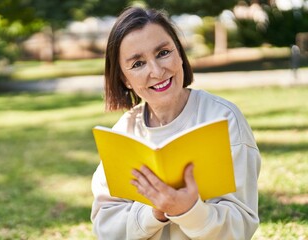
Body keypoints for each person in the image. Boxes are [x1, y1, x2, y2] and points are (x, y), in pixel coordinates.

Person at [91, 6, 261, 240]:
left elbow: (240, 226)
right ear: (124, 79)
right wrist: (155, 212)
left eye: (163, 53)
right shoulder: (124, 132)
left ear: (179, 54)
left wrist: (189, 211)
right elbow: (106, 226)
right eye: (138, 64)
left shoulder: (223, 118)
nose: (157, 71)